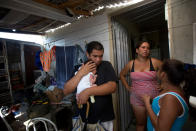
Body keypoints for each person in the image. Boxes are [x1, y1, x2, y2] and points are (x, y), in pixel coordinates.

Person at [63, 41, 118, 131]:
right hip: (83, 118)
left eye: (101, 56)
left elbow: (112, 87)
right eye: (95, 56)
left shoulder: (106, 65)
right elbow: (66, 90)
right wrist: (81, 73)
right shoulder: (78, 68)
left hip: (103, 118)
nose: (98, 59)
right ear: (88, 54)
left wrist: (88, 92)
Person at [142, 59, 196, 131]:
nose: (156, 72)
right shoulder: (174, 91)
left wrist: (147, 105)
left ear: (163, 74)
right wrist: (151, 101)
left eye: (158, 70)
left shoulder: (171, 98)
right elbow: (163, 107)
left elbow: (161, 129)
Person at [120, 40, 162, 131]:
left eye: (148, 48)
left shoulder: (155, 62)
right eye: (143, 47)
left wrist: (163, 86)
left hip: (153, 99)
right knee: (140, 124)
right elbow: (121, 75)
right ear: (137, 50)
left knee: (154, 123)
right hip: (137, 99)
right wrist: (127, 87)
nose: (146, 50)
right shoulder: (131, 64)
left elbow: (169, 73)